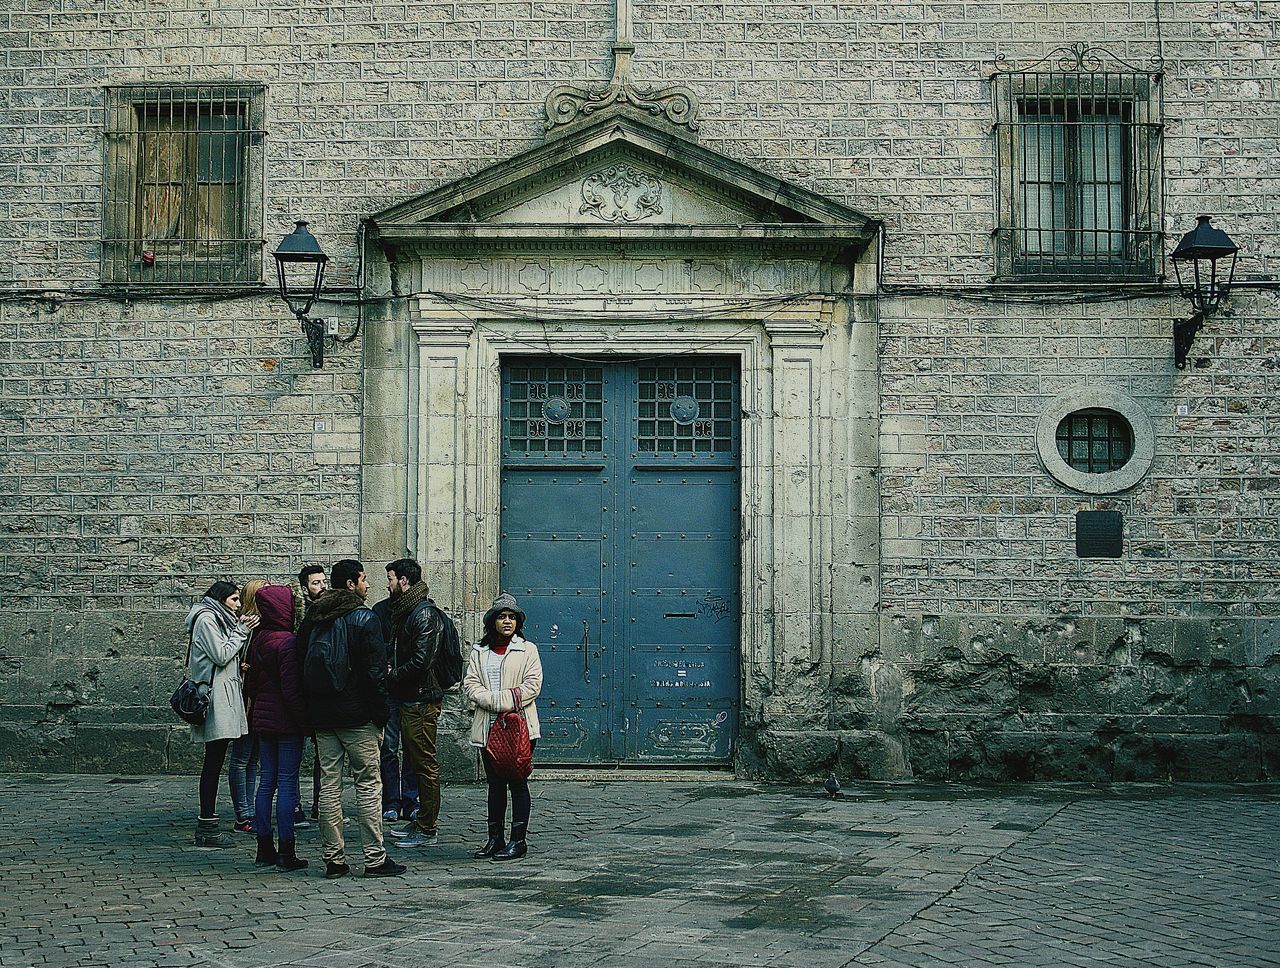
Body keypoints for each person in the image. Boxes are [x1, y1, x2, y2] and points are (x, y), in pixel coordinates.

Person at [298, 558, 405, 879]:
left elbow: (299, 667)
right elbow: (375, 673)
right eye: (362, 579)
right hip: (358, 718)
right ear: (350, 584)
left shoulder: (313, 618)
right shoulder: (365, 618)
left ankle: (334, 859)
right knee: (368, 785)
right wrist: (380, 713)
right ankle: (374, 858)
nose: (367, 584)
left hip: (323, 718)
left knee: (329, 786)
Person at [463, 593, 543, 862]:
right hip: (488, 726)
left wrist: (501, 701)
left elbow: (532, 685)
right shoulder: (480, 651)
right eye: (502, 617)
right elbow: (471, 685)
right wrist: (493, 701)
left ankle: (518, 840)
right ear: (492, 621)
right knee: (495, 784)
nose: (507, 621)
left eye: (511, 617)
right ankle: (494, 838)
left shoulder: (527, 649)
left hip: (519, 725)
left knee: (518, 782)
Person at [186, 580, 259, 847]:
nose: (238, 605)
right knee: (213, 762)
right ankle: (207, 825)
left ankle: (208, 823)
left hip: (222, 695)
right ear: (220, 599)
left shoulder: (217, 617)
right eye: (234, 600)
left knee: (215, 761)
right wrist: (241, 631)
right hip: (214, 698)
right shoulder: (207, 619)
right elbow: (220, 654)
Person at [244, 584, 309, 872]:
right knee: (286, 784)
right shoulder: (287, 642)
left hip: (263, 718)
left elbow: (253, 684)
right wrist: (303, 721)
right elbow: (291, 689)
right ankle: (286, 849)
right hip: (285, 720)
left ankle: (263, 846)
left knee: (266, 781)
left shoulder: (259, 639)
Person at [383, 558, 445, 849]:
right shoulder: (407, 609)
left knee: (424, 764)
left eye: (392, 579)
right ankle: (419, 821)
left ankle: (428, 827)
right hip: (411, 697)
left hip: (421, 699)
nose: (388, 584)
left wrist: (394, 674)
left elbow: (422, 660)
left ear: (404, 581)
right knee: (417, 761)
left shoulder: (422, 613)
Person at [372, 594, 419, 826]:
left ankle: (411, 800)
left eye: (390, 578)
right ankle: (391, 801)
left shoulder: (419, 612)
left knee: (411, 747)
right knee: (389, 747)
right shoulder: (381, 611)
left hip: (411, 688)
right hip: (390, 689)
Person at [227, 579, 265, 834]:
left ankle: (248, 811)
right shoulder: (244, 625)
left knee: (252, 759)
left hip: (257, 698)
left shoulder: (261, 624)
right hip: (244, 698)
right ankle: (243, 813)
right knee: (241, 758)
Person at [293, 563, 328, 828]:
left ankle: (320, 804)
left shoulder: (324, 613)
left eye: (323, 581)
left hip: (317, 695)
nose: (322, 586)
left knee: (323, 754)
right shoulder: (299, 617)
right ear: (305, 588)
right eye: (316, 583)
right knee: (292, 751)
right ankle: (294, 805)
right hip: (300, 693)